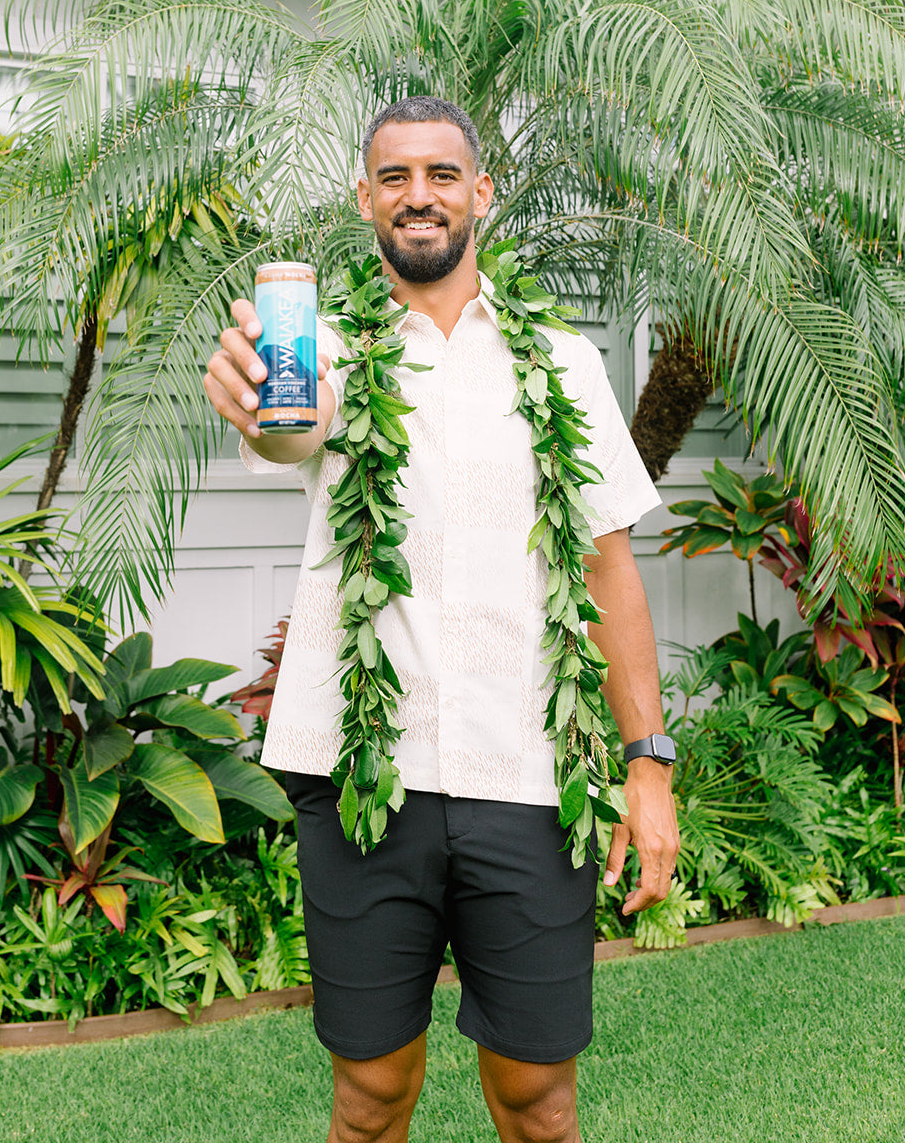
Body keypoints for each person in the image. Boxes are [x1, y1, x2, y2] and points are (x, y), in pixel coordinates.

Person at [204, 96, 680, 1143]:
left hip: (531, 780)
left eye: (441, 174)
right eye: (394, 176)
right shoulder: (323, 351)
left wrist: (646, 762)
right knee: (370, 1100)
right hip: (365, 780)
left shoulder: (564, 365)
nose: (418, 194)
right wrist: (252, 397)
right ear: (364, 198)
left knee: (538, 1103)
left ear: (480, 194)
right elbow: (289, 436)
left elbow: (609, 569)